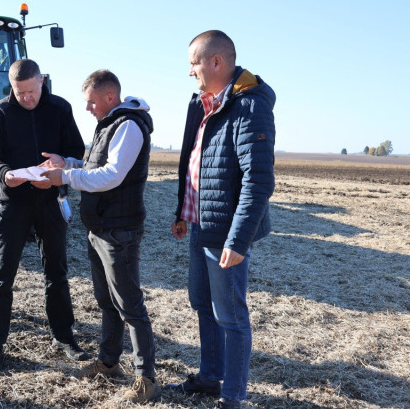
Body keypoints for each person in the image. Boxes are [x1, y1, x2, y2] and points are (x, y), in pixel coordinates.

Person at [164, 30, 276, 409]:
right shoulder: (202, 104)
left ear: (216, 62)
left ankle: (232, 396)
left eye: (193, 63)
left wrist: (238, 240)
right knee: (202, 302)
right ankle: (211, 377)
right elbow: (193, 161)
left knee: (231, 315)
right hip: (201, 223)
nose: (189, 71)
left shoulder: (250, 107)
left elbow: (258, 181)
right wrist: (183, 210)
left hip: (226, 231)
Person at [40, 70, 160, 403]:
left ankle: (146, 379)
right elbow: (94, 167)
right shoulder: (108, 124)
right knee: (107, 302)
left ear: (109, 97)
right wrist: (67, 163)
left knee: (130, 306)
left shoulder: (128, 126)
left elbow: (111, 176)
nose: (88, 108)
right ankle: (108, 362)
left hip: (119, 231)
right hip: (100, 228)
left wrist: (65, 177)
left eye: (91, 102)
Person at [0, 59, 88, 373]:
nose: (26, 97)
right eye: (19, 92)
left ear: (41, 81)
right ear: (11, 88)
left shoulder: (60, 109)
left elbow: (76, 150)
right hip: (13, 203)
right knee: (2, 276)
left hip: (50, 201)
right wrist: (4, 173)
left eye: (31, 91)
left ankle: (63, 337)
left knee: (57, 272)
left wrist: (61, 161)